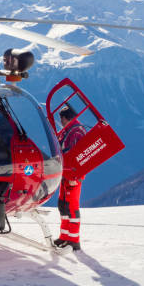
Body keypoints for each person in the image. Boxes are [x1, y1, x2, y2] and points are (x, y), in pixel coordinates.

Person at [54, 104, 86, 251]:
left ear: (66, 118)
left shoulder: (76, 132)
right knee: (63, 205)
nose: (60, 122)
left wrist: (76, 176)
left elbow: (81, 158)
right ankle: (64, 237)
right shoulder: (68, 131)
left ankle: (74, 240)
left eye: (61, 119)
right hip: (65, 174)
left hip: (73, 176)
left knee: (72, 207)